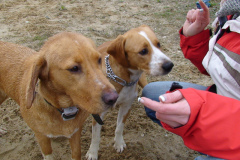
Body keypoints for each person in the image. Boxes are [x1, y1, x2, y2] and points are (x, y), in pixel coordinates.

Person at [138, 0, 240, 159]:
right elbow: (226, 71)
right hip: (225, 101)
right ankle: (212, 145)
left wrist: (202, 114)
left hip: (233, 121)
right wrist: (195, 37)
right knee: (153, 93)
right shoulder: (231, 12)